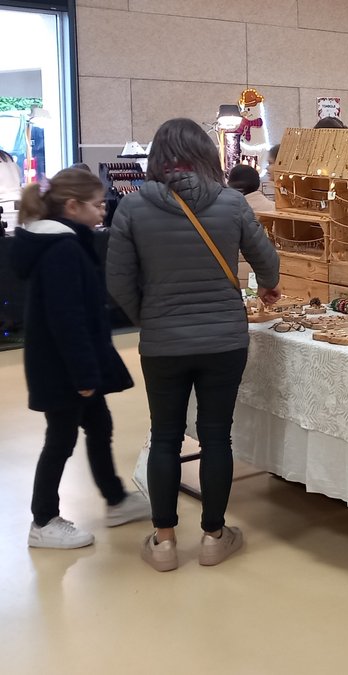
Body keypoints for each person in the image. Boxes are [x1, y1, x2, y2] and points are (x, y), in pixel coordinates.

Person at [107, 118, 281, 572]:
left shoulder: (132, 208)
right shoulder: (230, 202)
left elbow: (118, 280)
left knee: (164, 435)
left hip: (162, 340)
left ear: (157, 157)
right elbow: (267, 259)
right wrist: (268, 288)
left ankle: (164, 542)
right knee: (216, 435)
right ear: (206, 153)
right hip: (224, 337)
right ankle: (213, 536)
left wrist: (149, 318)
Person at [12, 167, 151, 549]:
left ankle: (115, 498)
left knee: (99, 425)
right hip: (64, 369)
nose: (103, 210)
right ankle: (43, 519)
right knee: (60, 438)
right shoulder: (62, 250)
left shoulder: (68, 242)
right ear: (72, 206)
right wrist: (85, 375)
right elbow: (67, 318)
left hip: (71, 363)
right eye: (96, 204)